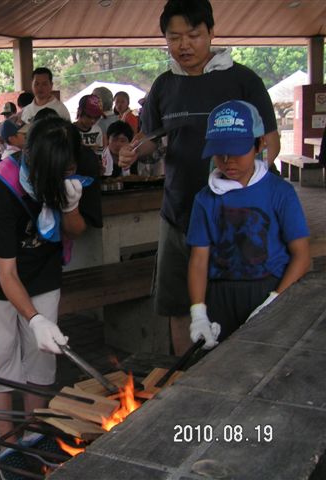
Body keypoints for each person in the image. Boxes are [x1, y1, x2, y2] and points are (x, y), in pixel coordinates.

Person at [119, 0, 280, 355]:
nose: (184, 45)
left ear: (211, 33)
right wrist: (133, 151)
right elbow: (150, 142)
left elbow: (271, 143)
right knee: (179, 303)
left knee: (229, 300)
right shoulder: (164, 86)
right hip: (177, 214)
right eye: (174, 37)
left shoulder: (242, 80)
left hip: (233, 218)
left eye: (193, 35)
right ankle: (186, 377)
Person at [0, 117, 97, 473]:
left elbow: (80, 230)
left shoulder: (83, 164)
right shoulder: (5, 183)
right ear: (29, 157)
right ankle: (8, 444)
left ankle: (34, 431)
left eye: (65, 169)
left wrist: (69, 208)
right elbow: (5, 271)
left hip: (42, 270)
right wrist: (35, 319)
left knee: (42, 355)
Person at [187, 100, 310, 350]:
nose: (227, 160)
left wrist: (274, 300)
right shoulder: (206, 198)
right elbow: (199, 259)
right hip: (221, 295)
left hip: (272, 287)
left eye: (237, 151)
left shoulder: (279, 192)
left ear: (260, 144)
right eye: (220, 152)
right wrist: (198, 311)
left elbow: (302, 255)